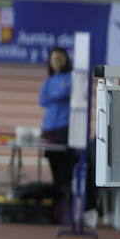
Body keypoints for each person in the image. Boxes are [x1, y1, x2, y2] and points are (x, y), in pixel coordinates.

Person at [39, 46, 75, 219]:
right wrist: (54, 93)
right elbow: (42, 100)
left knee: (64, 170)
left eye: (59, 59)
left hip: (64, 127)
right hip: (48, 128)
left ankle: (67, 208)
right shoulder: (49, 80)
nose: (56, 62)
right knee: (53, 167)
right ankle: (57, 208)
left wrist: (53, 93)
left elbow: (63, 92)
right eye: (53, 59)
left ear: (66, 60)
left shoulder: (70, 78)